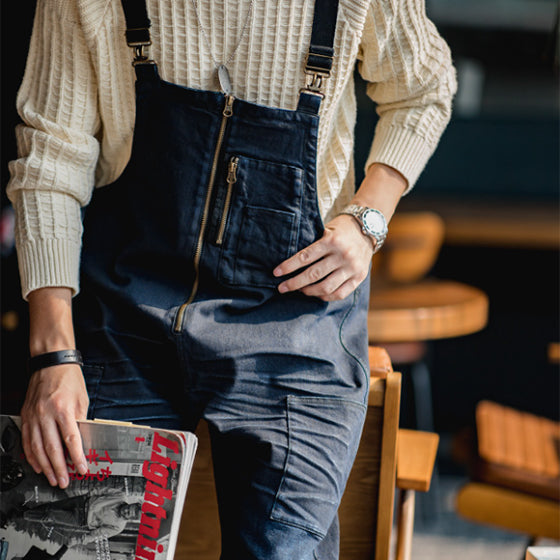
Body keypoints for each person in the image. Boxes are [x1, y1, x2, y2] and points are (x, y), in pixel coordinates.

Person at [7, 1, 456, 558]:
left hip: (293, 324)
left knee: (283, 550)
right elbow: (51, 160)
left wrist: (369, 219)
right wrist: (53, 357)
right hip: (121, 312)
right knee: (78, 544)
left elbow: (424, 87)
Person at [6, 494, 141, 547]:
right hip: (82, 501)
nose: (126, 511)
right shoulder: (121, 498)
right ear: (131, 504)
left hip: (80, 518)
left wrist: (79, 541)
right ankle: (28, 510)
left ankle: (19, 515)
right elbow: (102, 493)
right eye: (129, 508)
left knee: (51, 515)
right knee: (51, 506)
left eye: (129, 514)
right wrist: (88, 494)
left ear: (130, 518)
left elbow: (98, 534)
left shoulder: (118, 527)